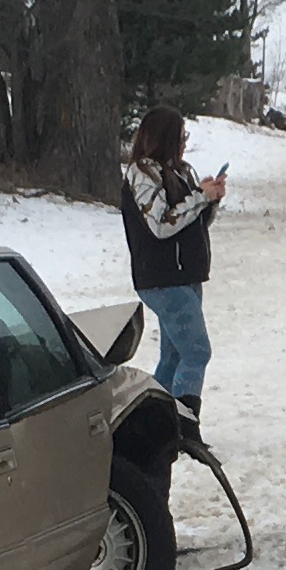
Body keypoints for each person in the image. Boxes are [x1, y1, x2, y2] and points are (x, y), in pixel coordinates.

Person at [118, 108, 223, 413]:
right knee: (197, 351)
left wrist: (210, 199)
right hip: (163, 278)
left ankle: (151, 420)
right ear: (165, 139)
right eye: (181, 137)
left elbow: (192, 222)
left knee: (174, 355)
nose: (184, 144)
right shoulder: (142, 174)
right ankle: (184, 423)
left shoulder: (181, 171)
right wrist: (199, 198)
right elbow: (162, 224)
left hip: (186, 275)